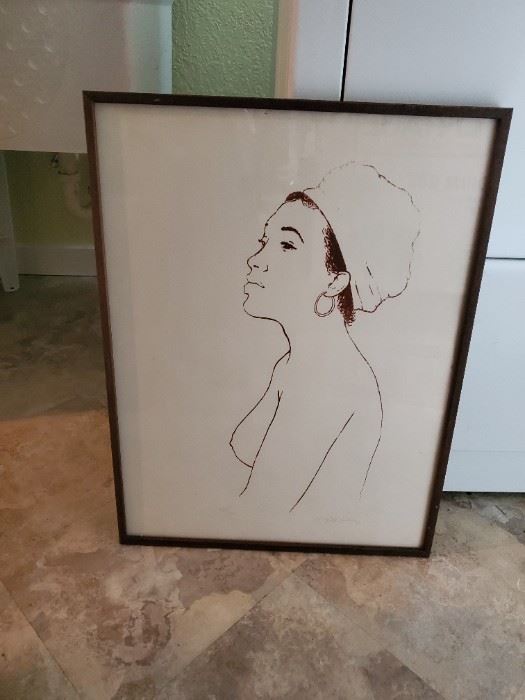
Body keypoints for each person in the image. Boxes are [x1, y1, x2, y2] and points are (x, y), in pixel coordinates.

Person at [230, 162, 420, 514]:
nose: (256, 260)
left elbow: (256, 511)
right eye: (264, 242)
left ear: (335, 282)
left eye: (287, 245)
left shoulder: (328, 380)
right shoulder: (294, 364)